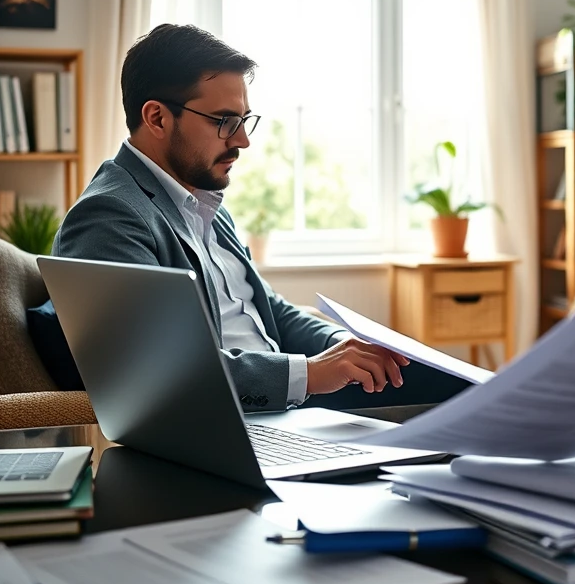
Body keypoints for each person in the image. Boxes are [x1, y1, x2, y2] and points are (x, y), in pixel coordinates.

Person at [51, 24, 409, 412]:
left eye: (244, 120)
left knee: (448, 395)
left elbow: (270, 311)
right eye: (224, 121)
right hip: (224, 428)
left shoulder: (203, 202)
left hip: (284, 413)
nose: (242, 140)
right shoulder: (108, 217)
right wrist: (309, 372)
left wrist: (342, 347)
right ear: (156, 118)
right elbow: (153, 370)